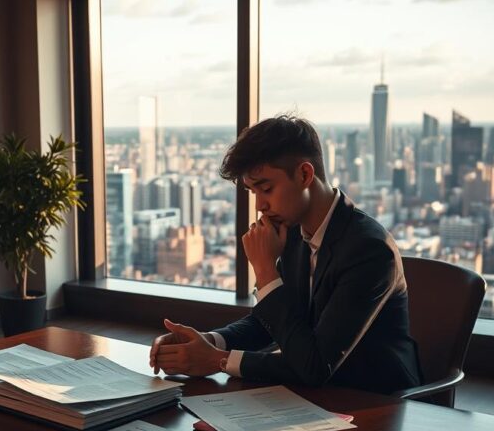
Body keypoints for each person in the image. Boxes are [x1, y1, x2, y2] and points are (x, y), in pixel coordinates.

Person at [149, 115, 422, 394]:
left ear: (305, 174)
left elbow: (315, 365)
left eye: (266, 189)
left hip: (377, 402)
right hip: (315, 395)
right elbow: (273, 322)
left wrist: (217, 360)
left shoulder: (369, 250)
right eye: (252, 191)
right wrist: (210, 341)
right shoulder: (293, 231)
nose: (260, 205)